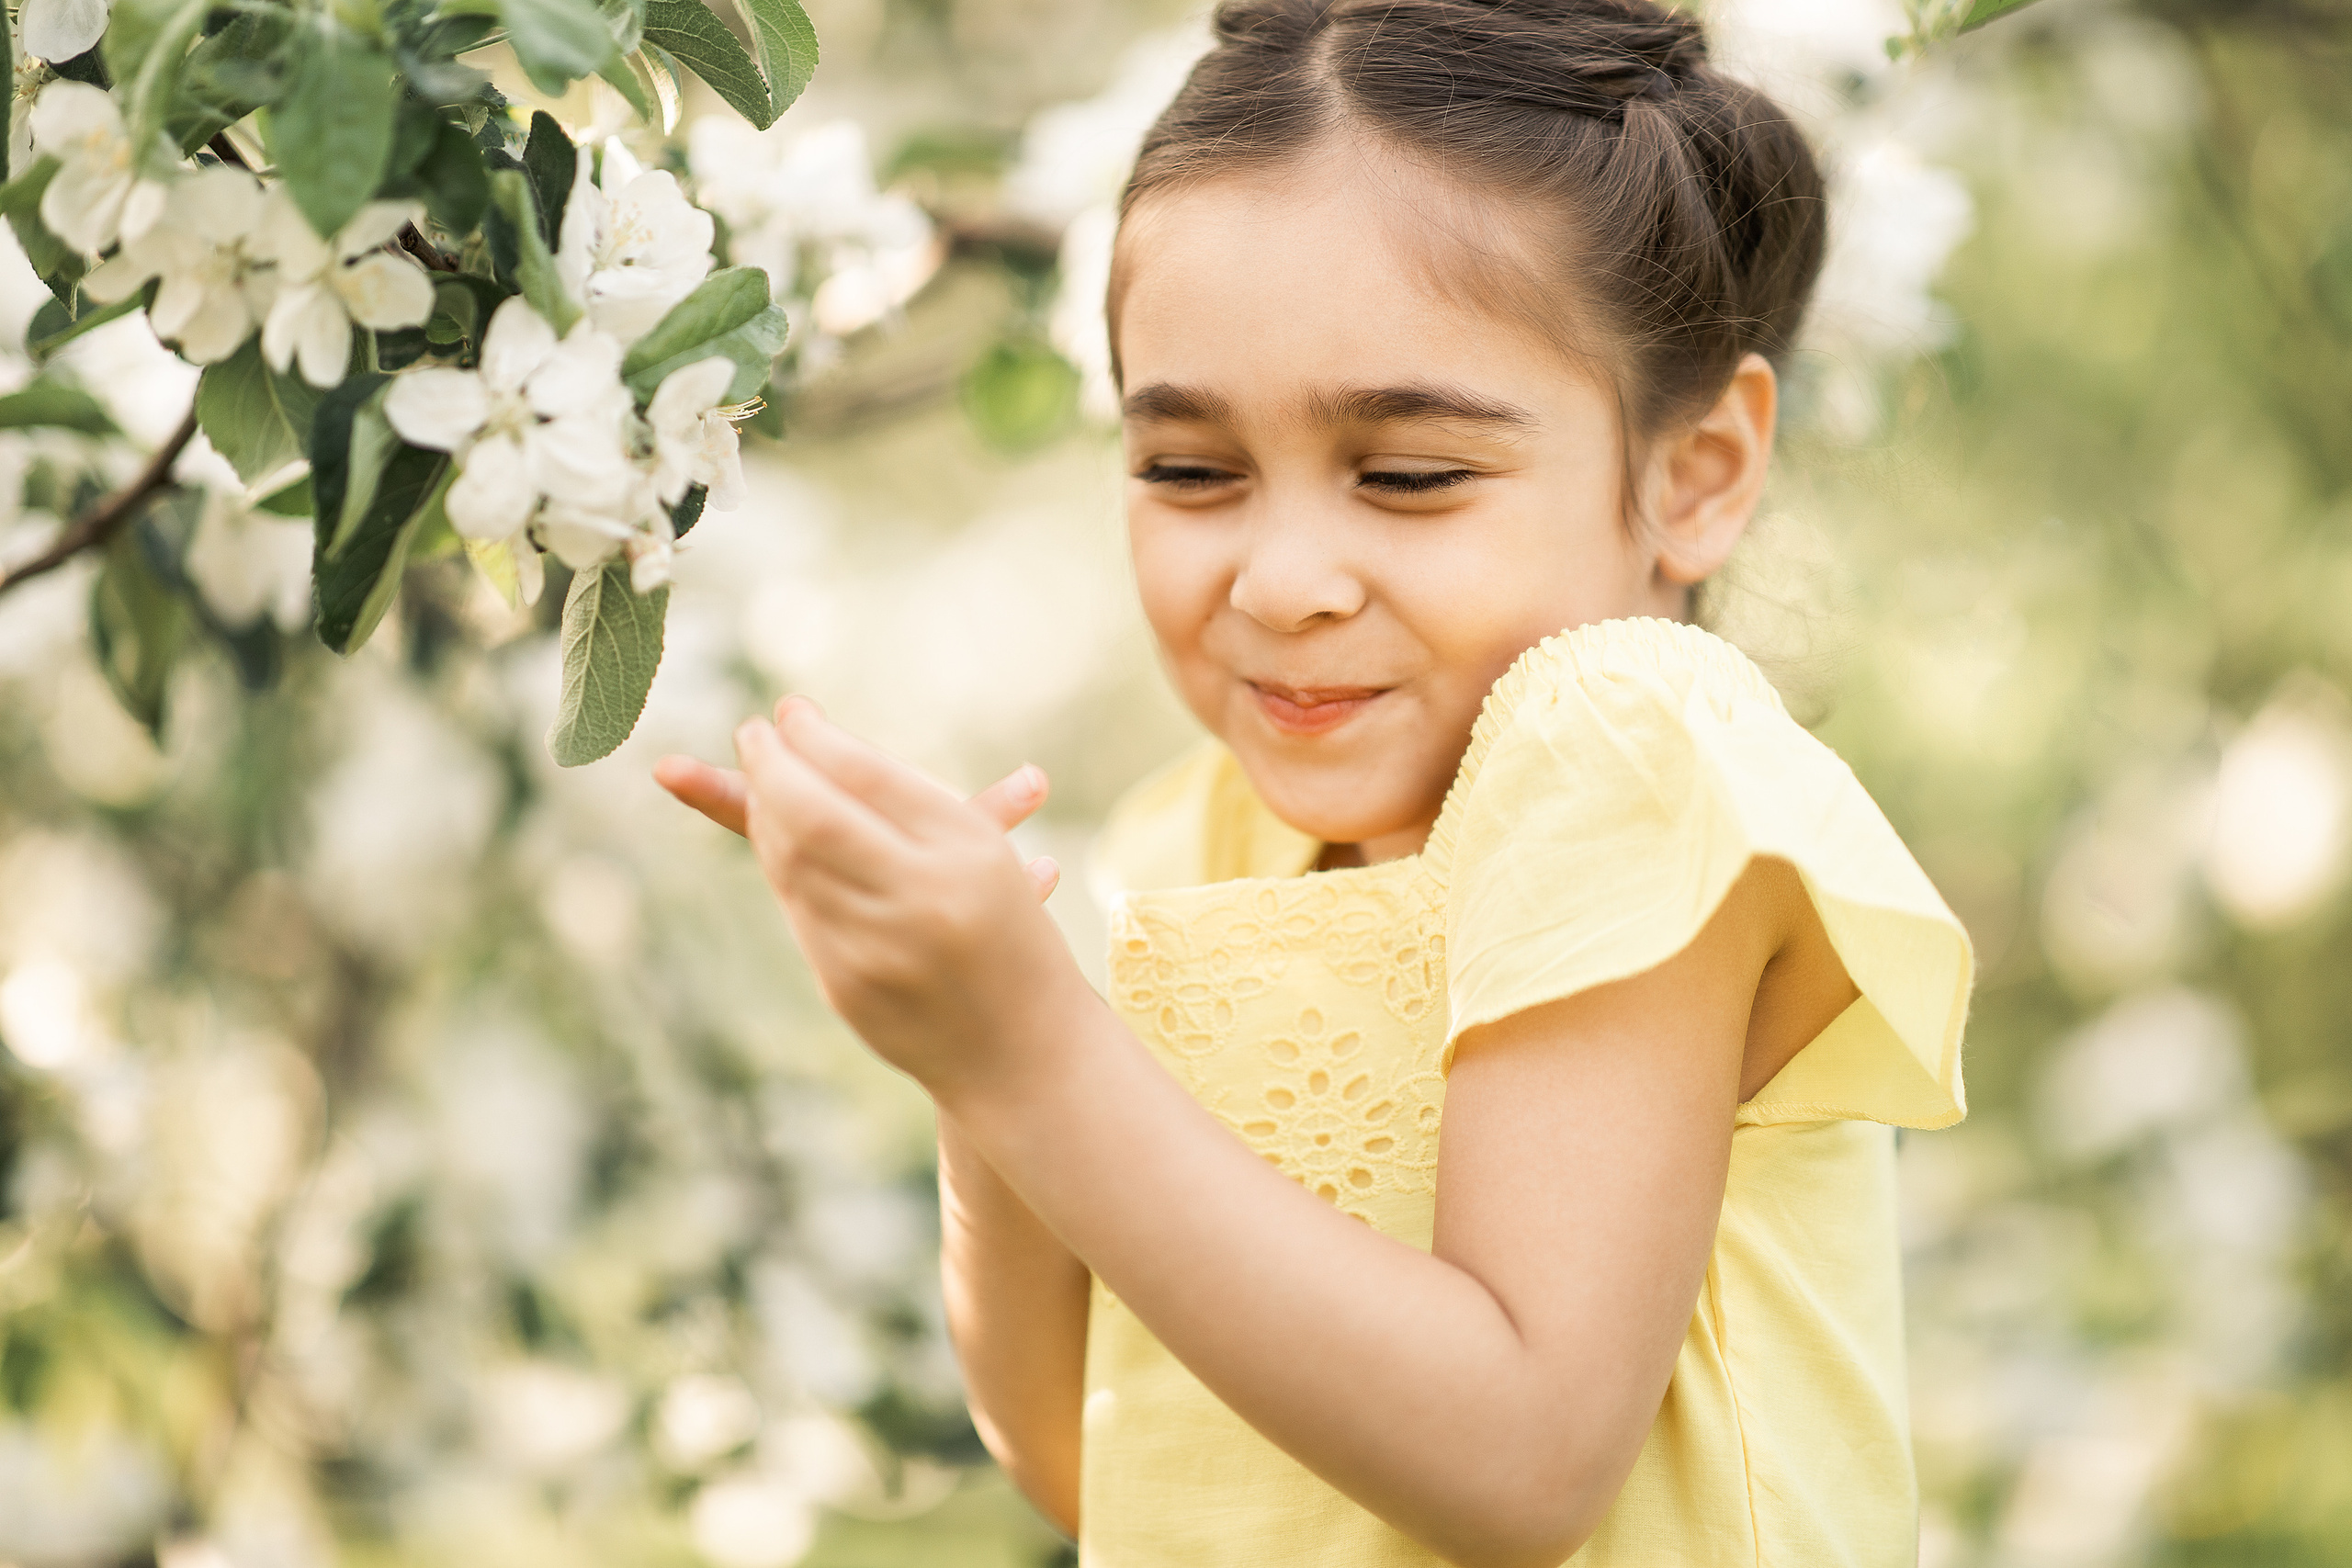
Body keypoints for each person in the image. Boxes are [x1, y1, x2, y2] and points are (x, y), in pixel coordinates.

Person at [655, 0, 1974, 1561]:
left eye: (1409, 476)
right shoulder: (1201, 836)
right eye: (1190, 470)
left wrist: (1029, 1053)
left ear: (1691, 474)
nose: (1282, 581)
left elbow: (1524, 1459)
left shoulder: (1624, 747)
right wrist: (966, 1053)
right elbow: (1105, 1458)